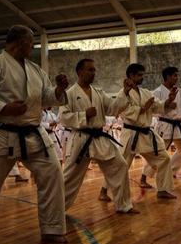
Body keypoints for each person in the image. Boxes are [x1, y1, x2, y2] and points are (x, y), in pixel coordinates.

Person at [0, 25, 69, 244]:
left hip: (33, 132)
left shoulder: (35, 69)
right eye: (30, 42)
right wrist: (5, 107)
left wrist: (58, 90)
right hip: (3, 133)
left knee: (52, 173)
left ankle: (52, 228)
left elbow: (46, 97)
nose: (33, 46)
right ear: (18, 42)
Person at [60, 58, 140, 213]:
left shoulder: (98, 92)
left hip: (99, 137)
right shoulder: (69, 94)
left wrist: (124, 92)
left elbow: (112, 108)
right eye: (90, 70)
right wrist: (84, 115)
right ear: (79, 72)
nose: (93, 73)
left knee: (120, 165)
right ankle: (56, 210)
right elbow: (63, 118)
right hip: (81, 139)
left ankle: (124, 205)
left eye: (94, 70)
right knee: (69, 178)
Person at [119, 63, 177, 199]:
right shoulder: (123, 93)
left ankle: (162, 189)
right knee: (121, 166)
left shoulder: (145, 92)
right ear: (131, 76)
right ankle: (104, 190)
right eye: (139, 75)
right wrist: (143, 108)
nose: (142, 77)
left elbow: (157, 106)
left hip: (145, 134)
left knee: (163, 159)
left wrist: (168, 101)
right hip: (131, 135)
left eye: (142, 75)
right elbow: (123, 110)